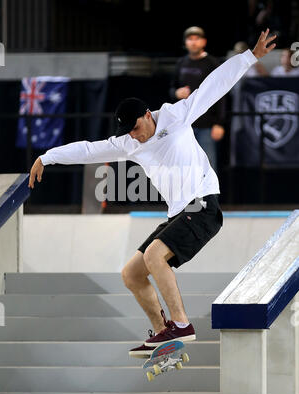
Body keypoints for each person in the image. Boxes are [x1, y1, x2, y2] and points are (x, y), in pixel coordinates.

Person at [28, 29, 276, 358]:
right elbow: (89, 149)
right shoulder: (128, 143)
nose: (135, 137)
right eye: (128, 133)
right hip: (180, 213)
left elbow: (213, 87)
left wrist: (250, 57)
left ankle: (181, 325)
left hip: (203, 205)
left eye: (136, 128)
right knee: (131, 273)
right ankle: (162, 333)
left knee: (154, 255)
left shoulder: (176, 115)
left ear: (147, 116)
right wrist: (47, 156)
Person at [169, 26, 225, 172]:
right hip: (184, 124)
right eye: (190, 39)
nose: (193, 42)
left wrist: (219, 123)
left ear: (204, 42)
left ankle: (209, 196)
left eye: (197, 39)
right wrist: (176, 93)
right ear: (185, 43)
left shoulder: (212, 63)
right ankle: (187, 195)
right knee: (184, 166)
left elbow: (221, 93)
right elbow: (171, 89)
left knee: (207, 166)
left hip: (206, 124)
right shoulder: (181, 63)